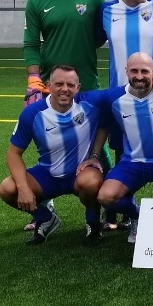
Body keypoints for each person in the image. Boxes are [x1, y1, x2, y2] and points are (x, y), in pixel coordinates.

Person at [21, 0, 105, 231]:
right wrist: (34, 78)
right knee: (45, 142)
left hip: (88, 84)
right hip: (49, 87)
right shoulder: (37, 1)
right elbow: (31, 43)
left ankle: (100, 208)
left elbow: (99, 37)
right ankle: (44, 207)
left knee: (98, 143)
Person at [0, 65, 105, 245]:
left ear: (78, 87)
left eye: (70, 85)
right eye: (59, 84)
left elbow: (125, 91)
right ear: (48, 85)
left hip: (79, 172)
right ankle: (46, 218)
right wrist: (23, 188)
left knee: (91, 182)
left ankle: (93, 223)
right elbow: (13, 153)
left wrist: (95, 155)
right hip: (46, 175)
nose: (65, 89)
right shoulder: (32, 113)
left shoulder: (91, 103)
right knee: (7, 188)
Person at [95, 53, 153, 244]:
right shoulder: (113, 98)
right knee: (106, 197)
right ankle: (138, 216)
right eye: (134, 71)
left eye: (145, 71)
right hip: (132, 163)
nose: (139, 76)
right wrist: (94, 155)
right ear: (126, 72)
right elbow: (103, 126)